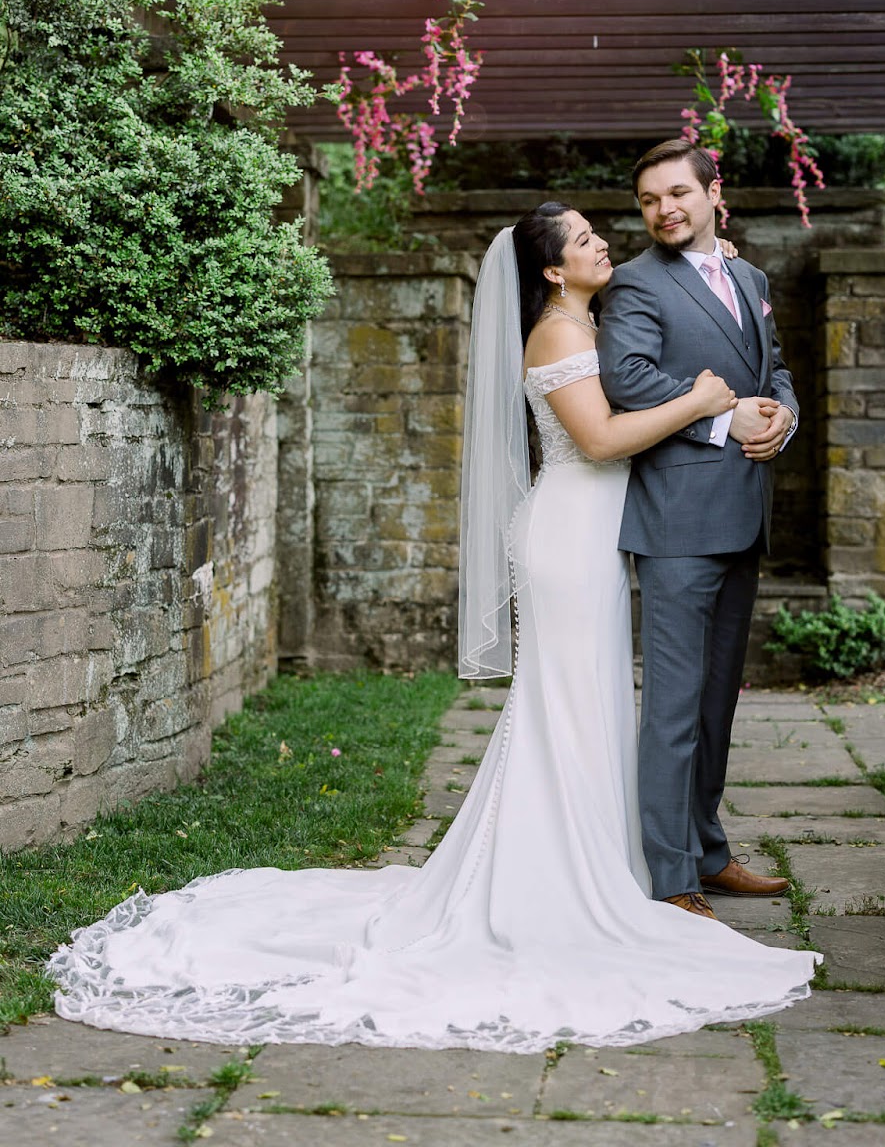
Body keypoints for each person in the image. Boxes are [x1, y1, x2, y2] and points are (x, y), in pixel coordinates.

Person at [49, 201, 817, 1053]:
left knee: (589, 701)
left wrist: (716, 274)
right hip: (567, 536)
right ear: (555, 270)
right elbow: (600, 441)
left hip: (596, 537)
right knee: (563, 702)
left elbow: (659, 323)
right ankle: (551, 876)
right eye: (589, 240)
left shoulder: (591, 315)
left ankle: (595, 859)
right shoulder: (559, 338)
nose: (609, 244)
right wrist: (704, 401)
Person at [597, 142, 799, 917]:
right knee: (676, 707)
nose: (663, 210)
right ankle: (672, 876)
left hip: (744, 515)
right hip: (676, 523)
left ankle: (709, 852)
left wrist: (782, 418)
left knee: (718, 704)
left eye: (677, 193)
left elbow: (772, 370)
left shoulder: (750, 277)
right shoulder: (636, 284)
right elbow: (630, 380)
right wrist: (722, 420)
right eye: (649, 200)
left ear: (715, 193)